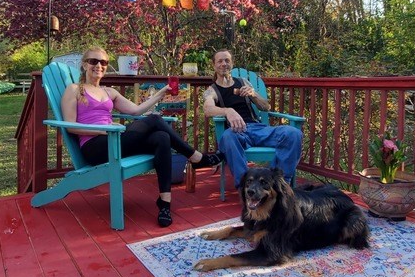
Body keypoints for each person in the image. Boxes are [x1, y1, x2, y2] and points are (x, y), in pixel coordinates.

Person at [61, 48, 224, 227]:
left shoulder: (109, 92)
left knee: (161, 137)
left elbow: (137, 110)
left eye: (104, 62)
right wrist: (104, 130)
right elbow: (70, 127)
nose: (99, 65)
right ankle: (195, 157)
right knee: (154, 120)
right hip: (95, 147)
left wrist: (161, 94)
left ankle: (165, 204)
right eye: (93, 61)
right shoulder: (75, 89)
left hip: (114, 141)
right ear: (84, 64)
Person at [203, 49, 303, 188]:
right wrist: (228, 111)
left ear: (232, 63)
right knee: (227, 138)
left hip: (259, 129)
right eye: (220, 61)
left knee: (293, 133)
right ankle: (247, 186)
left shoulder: (244, 82)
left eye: (227, 60)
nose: (224, 64)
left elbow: (266, 107)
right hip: (236, 132)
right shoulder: (212, 90)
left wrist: (253, 94)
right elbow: (207, 109)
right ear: (214, 65)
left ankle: (278, 184)